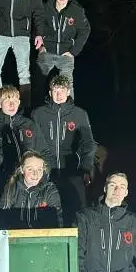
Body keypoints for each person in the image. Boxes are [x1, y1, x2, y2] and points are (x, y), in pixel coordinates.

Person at [31, 75, 96, 225]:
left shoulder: (79, 114)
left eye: (62, 90)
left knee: (77, 211)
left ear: (68, 92)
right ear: (50, 92)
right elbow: (33, 143)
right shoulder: (38, 113)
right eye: (55, 91)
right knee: (47, 209)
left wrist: (86, 168)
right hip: (46, 170)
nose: (59, 94)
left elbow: (88, 143)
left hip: (72, 169)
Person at [35, 0, 91, 100]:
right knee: (37, 83)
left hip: (66, 53)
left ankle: (69, 113)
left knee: (67, 85)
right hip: (47, 51)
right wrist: (41, 47)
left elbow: (85, 30)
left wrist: (74, 51)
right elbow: (36, 28)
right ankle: (36, 113)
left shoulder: (77, 11)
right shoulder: (44, 9)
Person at [0, 85, 53, 186]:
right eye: (7, 101)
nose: (12, 104)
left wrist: (43, 177)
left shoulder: (29, 124)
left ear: (19, 102)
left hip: (31, 181)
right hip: (5, 182)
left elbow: (45, 152)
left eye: (15, 101)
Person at [0, 151, 62, 229]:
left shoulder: (49, 190)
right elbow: (2, 219)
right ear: (22, 170)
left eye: (39, 170)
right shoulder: (10, 188)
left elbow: (58, 220)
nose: (35, 174)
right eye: (30, 169)